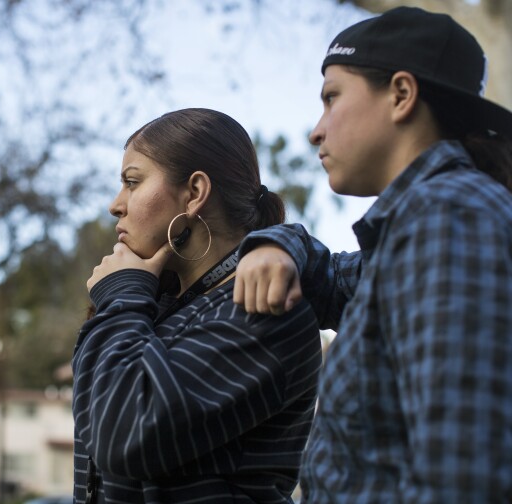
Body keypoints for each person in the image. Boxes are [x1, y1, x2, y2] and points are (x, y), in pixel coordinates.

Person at [233, 6, 512, 503]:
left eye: (331, 98)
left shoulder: (446, 217)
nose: (316, 131)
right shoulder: (421, 226)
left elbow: (464, 476)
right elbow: (335, 278)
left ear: (401, 95)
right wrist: (277, 243)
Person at [71, 108, 322, 504]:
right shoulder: (155, 308)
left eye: (132, 182)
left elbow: (125, 436)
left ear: (194, 193)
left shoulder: (263, 309)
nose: (115, 205)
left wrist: (120, 295)